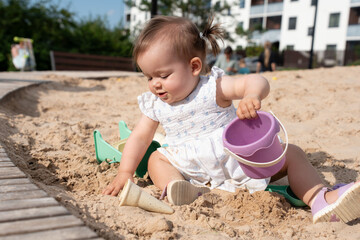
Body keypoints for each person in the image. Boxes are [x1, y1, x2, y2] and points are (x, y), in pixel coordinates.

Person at [103, 16, 360, 224]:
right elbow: (139, 137)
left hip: (239, 159)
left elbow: (256, 81)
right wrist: (125, 172)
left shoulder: (213, 87)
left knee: (292, 153)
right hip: (191, 167)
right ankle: (179, 188)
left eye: (163, 75)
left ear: (194, 67)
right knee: (157, 158)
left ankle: (318, 199)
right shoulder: (156, 105)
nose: (155, 84)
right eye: (149, 77)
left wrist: (251, 94)